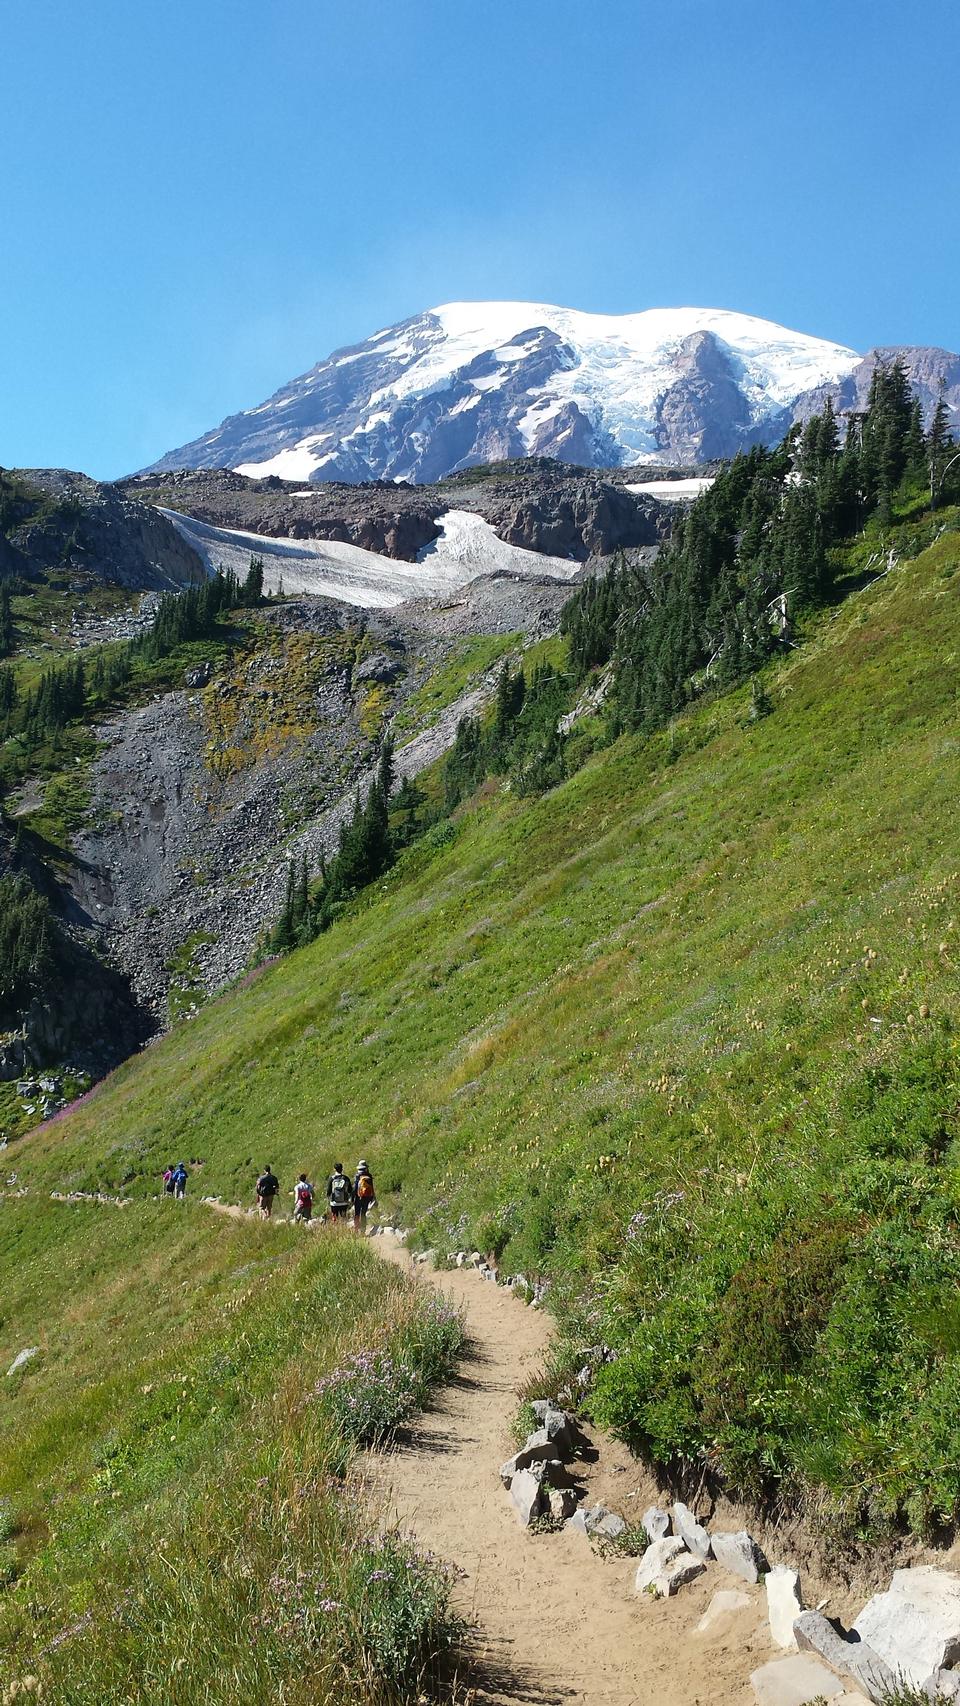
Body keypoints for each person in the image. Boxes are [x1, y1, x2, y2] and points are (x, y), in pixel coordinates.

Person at [353, 1159, 375, 1231]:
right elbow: (372, 1187)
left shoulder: (357, 1176)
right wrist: (373, 1197)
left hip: (358, 1197)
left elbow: (355, 1187)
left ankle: (356, 1229)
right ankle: (363, 1229)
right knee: (363, 1213)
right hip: (367, 1197)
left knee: (357, 1213)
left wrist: (352, 1197)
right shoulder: (369, 1176)